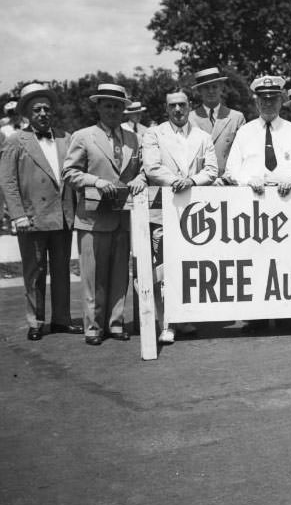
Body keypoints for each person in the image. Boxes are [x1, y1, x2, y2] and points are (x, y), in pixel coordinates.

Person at [62, 83, 147, 345]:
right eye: (107, 105)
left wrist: (141, 179)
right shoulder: (83, 136)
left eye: (117, 106)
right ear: (98, 107)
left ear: (124, 109)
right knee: (93, 274)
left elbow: (144, 168)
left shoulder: (134, 138)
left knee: (121, 273)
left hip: (123, 216)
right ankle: (94, 326)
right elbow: (69, 172)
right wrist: (95, 181)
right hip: (93, 218)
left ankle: (116, 322)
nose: (112, 110)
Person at [0, 83, 80, 341]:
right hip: (32, 218)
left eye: (47, 108)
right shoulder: (15, 141)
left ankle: (61, 319)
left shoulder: (65, 138)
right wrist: (18, 215)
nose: (44, 113)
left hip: (62, 216)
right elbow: (8, 182)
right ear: (26, 113)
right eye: (37, 109)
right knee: (34, 272)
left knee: (61, 271)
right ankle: (35, 321)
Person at [143, 91, 218, 344]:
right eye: (172, 106)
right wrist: (177, 181)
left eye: (182, 105)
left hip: (193, 213)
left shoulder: (203, 136)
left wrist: (192, 181)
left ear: (189, 107)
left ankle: (183, 318)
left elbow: (211, 170)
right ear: (166, 109)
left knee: (188, 267)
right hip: (162, 210)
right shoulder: (154, 134)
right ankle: (166, 323)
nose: (177, 110)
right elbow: (152, 167)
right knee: (163, 269)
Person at [225, 75, 291, 195]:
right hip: (252, 200)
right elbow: (231, 169)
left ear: (280, 102)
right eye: (264, 100)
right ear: (257, 102)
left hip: (289, 199)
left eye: (273, 100)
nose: (268, 104)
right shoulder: (244, 132)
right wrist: (248, 180)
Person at [188, 66, 245, 180]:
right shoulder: (189, 118)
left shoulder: (236, 117)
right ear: (199, 90)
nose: (211, 91)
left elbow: (242, 153)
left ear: (221, 88)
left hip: (228, 182)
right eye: (206, 88)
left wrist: (227, 178)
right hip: (197, 182)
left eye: (214, 87)